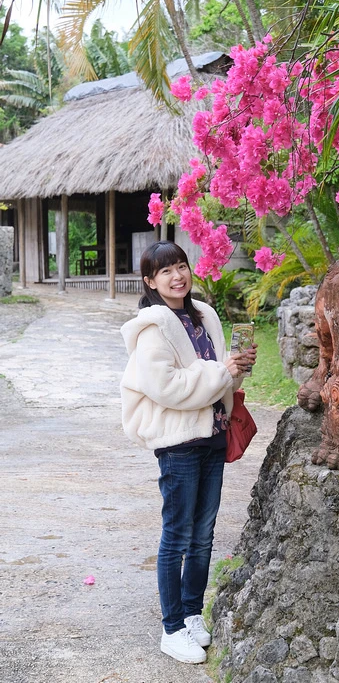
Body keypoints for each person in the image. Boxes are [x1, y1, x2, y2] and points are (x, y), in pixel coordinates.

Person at [120, 240, 256, 665]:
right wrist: (221, 371)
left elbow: (218, 381)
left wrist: (236, 368)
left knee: (203, 535)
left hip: (212, 436)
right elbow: (168, 388)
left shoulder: (205, 315)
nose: (177, 276)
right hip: (178, 443)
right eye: (165, 271)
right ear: (150, 281)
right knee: (177, 536)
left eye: (181, 266)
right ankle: (172, 628)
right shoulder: (153, 327)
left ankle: (192, 613)